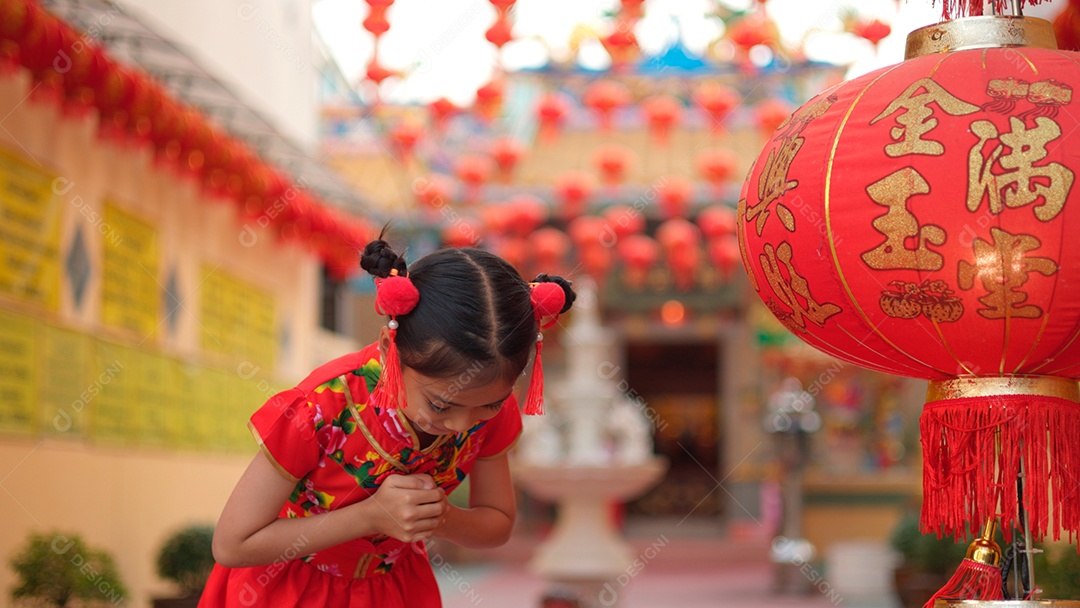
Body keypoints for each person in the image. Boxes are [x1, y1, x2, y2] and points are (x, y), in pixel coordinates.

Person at [200, 238, 575, 607]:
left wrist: (440, 517)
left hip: (395, 589)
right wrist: (369, 516)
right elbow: (234, 543)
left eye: (490, 405)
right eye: (440, 404)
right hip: (291, 590)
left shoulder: (486, 405)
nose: (462, 425)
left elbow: (497, 523)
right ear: (386, 346)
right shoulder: (322, 407)